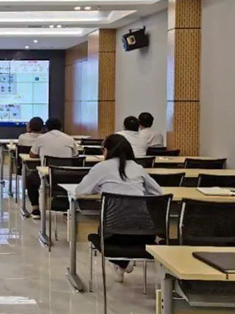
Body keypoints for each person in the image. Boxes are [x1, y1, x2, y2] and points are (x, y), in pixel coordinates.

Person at [75, 134, 163, 282]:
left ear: (106, 150)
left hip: (112, 234)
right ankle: (122, 263)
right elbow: (158, 192)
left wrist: (100, 188)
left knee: (105, 233)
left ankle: (122, 263)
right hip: (144, 234)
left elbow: (80, 191)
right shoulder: (137, 168)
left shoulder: (101, 167)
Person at [26, 118, 78, 219]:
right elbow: (75, 156)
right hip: (67, 177)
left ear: (46, 128)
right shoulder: (69, 139)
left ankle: (36, 209)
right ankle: (70, 208)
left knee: (30, 178)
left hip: (47, 177)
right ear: (61, 128)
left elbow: (32, 155)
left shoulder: (41, 139)